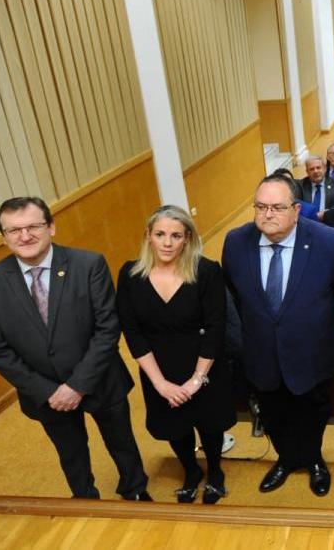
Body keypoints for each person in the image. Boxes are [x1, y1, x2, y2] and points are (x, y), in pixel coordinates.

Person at [0, 197, 150, 500]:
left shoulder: (88, 264)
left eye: (33, 226)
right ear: (3, 238)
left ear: (51, 227)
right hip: (46, 394)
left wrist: (77, 386)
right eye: (14, 230)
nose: (24, 236)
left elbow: (107, 328)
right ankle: (84, 500)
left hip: (100, 382)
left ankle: (135, 490)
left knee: (122, 443)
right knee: (71, 454)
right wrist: (48, 391)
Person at [221, 175, 334, 497]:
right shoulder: (236, 242)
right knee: (272, 411)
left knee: (315, 409)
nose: (268, 214)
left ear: (296, 210)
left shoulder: (329, 242)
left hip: (312, 350)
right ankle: (286, 458)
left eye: (277, 207)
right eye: (261, 207)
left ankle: (313, 460)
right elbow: (237, 295)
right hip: (261, 351)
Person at [117, 206, 232, 504]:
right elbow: (132, 332)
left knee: (209, 425)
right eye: (160, 234)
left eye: (176, 235)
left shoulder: (207, 271)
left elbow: (216, 327)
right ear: (148, 237)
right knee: (174, 426)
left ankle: (216, 472)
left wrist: (196, 380)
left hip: (203, 365)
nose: (167, 243)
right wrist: (160, 384)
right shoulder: (130, 275)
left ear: (187, 239)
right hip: (158, 368)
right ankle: (191, 471)